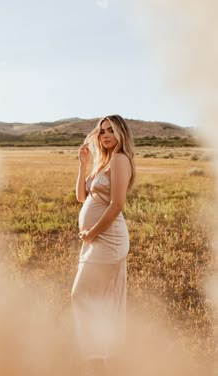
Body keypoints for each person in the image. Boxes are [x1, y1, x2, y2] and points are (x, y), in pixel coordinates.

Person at [71, 115, 135, 370]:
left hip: (108, 239)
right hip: (96, 239)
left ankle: (95, 356)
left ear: (121, 134)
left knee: (80, 295)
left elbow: (117, 204)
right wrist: (83, 165)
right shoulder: (104, 162)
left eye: (111, 130)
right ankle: (101, 353)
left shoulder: (120, 160)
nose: (105, 135)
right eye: (102, 131)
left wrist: (92, 232)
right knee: (97, 297)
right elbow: (80, 197)